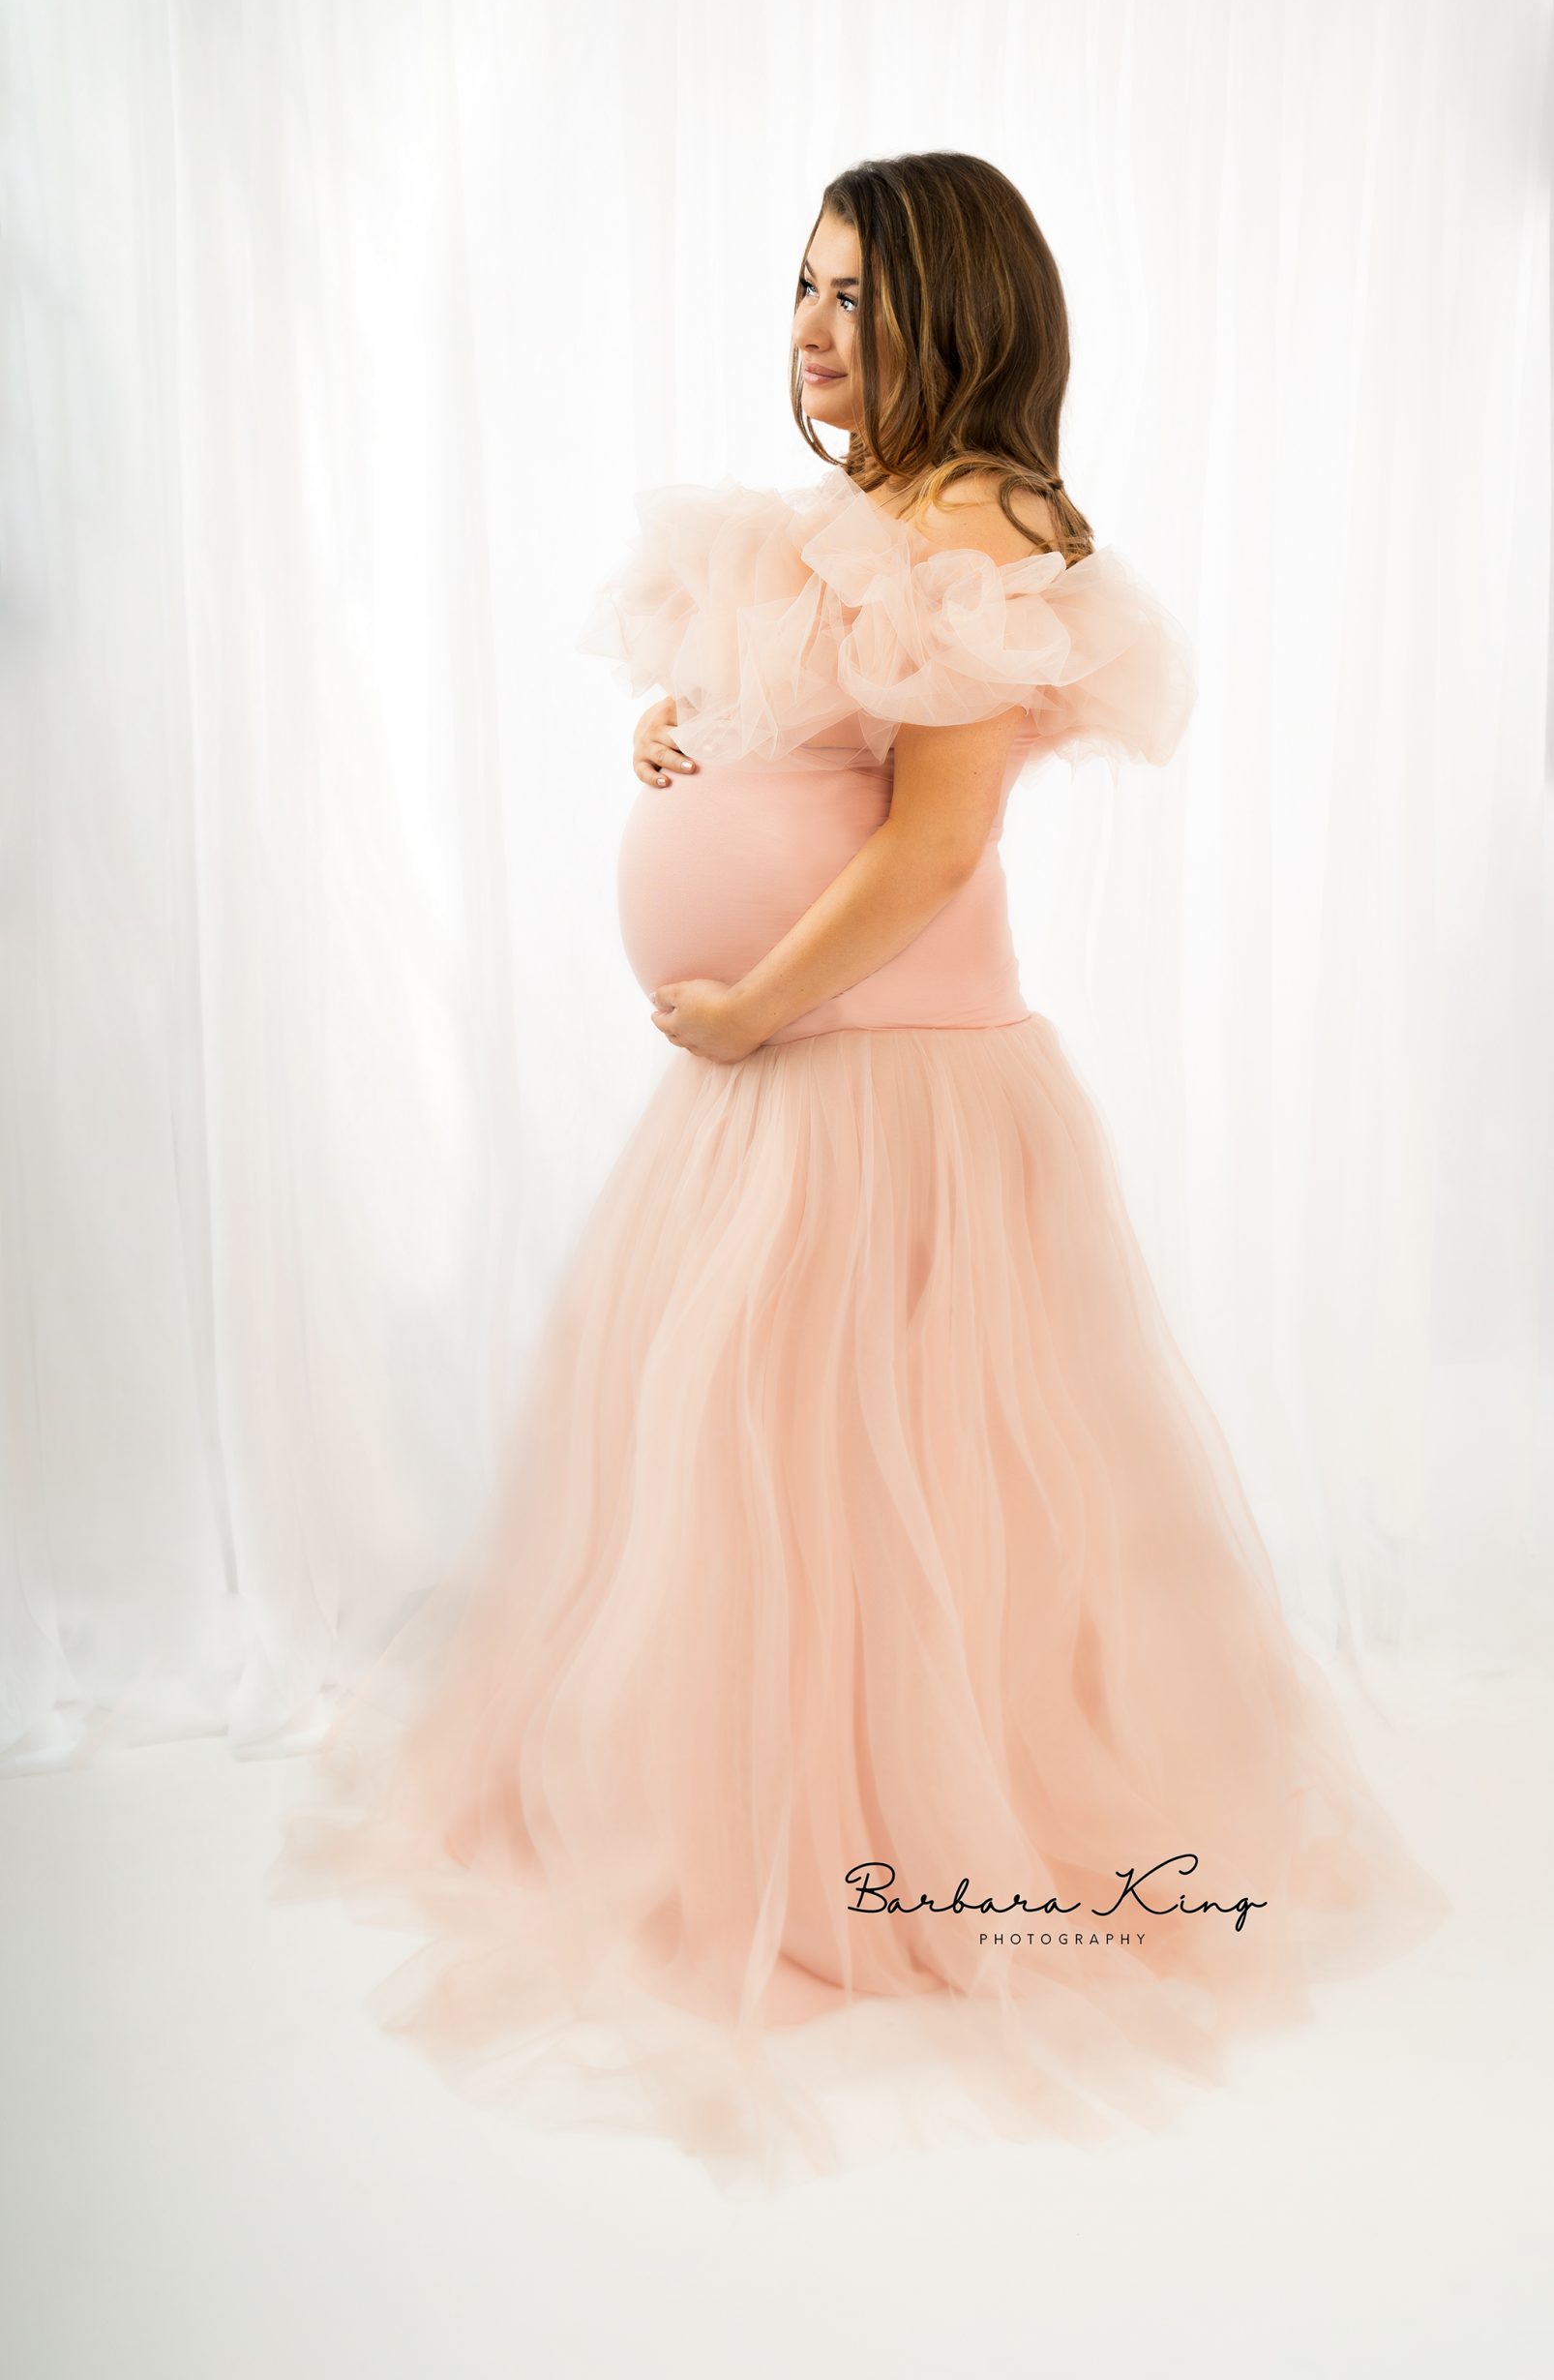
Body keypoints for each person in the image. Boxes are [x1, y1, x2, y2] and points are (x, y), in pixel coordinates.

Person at [268, 152, 1450, 2193]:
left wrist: (751, 1008)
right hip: (775, 1089)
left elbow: (928, 843)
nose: (811, 332)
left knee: (896, 1466)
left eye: (857, 297)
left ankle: (912, 1838)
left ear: (959, 319)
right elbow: (803, 728)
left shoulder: (979, 523)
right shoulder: (848, 521)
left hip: (883, 1080)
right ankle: (755, 1804)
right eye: (801, 289)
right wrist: (682, 733)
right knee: (748, 1463)